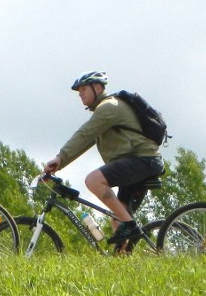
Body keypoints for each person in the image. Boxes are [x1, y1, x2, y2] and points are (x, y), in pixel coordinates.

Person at [44, 71, 165, 246]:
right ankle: (122, 262)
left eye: (84, 89)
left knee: (93, 181)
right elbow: (87, 141)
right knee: (117, 219)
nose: (80, 94)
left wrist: (60, 157)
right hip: (138, 161)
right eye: (79, 91)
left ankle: (130, 225)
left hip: (142, 159)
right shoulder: (104, 111)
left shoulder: (108, 107)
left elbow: (84, 134)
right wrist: (60, 162)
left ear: (98, 87)